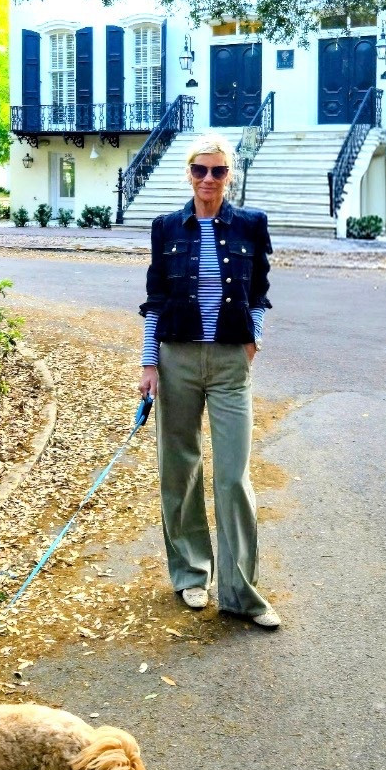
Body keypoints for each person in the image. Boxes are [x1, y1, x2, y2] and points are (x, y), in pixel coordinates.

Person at [138, 133, 279, 630]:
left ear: (229, 175)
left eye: (218, 171)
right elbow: (154, 299)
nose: (208, 180)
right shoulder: (165, 227)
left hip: (228, 365)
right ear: (189, 174)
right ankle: (191, 572)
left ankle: (241, 592)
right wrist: (148, 363)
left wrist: (251, 340)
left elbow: (259, 292)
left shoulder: (251, 224)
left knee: (233, 476)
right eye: (200, 170)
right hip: (175, 360)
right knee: (180, 469)